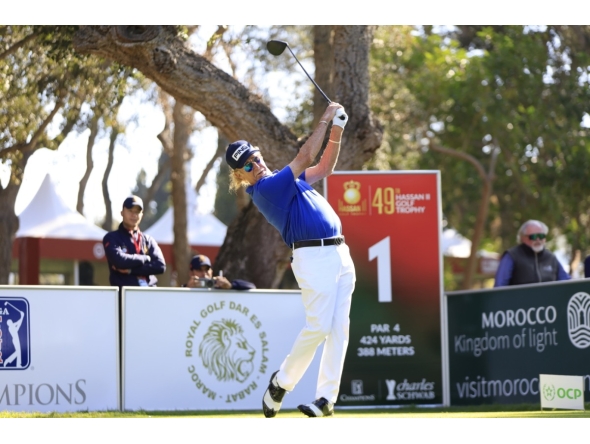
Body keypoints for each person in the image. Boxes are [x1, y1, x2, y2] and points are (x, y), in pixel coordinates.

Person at [224, 102, 355, 418]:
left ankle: (326, 399)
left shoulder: (285, 181)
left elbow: (324, 168)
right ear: (241, 176)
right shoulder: (267, 188)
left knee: (339, 328)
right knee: (319, 326)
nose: (257, 164)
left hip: (339, 253)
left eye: (256, 157)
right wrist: (325, 118)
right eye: (249, 165)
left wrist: (337, 128)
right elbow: (305, 157)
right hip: (313, 256)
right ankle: (281, 382)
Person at [103, 195, 166, 288]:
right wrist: (146, 258)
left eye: (137, 212)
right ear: (122, 213)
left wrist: (131, 271)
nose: (134, 215)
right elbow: (119, 261)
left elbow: (160, 266)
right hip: (125, 296)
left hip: (150, 294)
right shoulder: (112, 238)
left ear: (142, 215)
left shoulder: (148, 240)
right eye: (130, 211)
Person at [494, 219, 571, 287]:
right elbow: (500, 286)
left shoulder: (550, 257)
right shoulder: (511, 256)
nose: (538, 240)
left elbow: (566, 282)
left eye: (541, 236)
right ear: (522, 238)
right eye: (533, 237)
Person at [184, 254, 255, 290]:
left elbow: (251, 287)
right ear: (191, 273)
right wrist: (187, 288)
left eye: (207, 269)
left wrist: (230, 285)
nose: (204, 273)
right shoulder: (186, 288)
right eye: (199, 270)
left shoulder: (217, 285)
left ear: (211, 271)